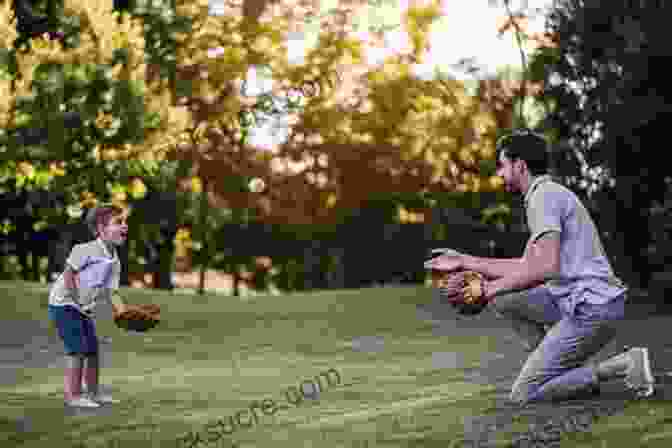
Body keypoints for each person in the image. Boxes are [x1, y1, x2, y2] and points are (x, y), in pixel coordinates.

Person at [428, 129, 655, 405]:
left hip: (592, 308)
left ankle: (622, 365)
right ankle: (558, 371)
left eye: (502, 165)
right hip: (580, 301)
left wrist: (487, 289)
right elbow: (526, 266)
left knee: (525, 392)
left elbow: (545, 268)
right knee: (505, 298)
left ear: (520, 165)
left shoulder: (543, 198)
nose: (500, 173)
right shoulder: (545, 195)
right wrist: (464, 261)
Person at [48, 203, 129, 408]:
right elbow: (68, 276)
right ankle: (73, 395)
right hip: (64, 303)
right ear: (101, 229)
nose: (124, 226)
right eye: (118, 222)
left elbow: (112, 292)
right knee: (77, 349)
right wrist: (78, 301)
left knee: (92, 349)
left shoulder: (114, 261)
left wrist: (124, 313)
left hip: (82, 307)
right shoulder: (85, 250)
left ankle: (93, 393)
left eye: (125, 222)